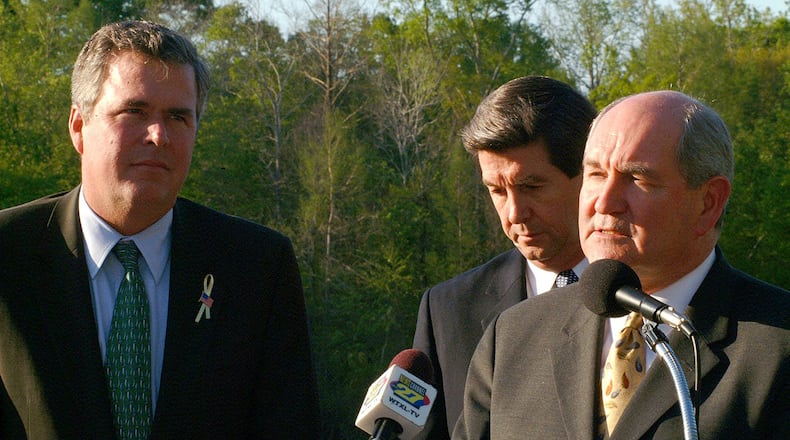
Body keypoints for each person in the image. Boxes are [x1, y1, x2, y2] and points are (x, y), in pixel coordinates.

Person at [0, 20, 319, 439]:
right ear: (79, 127)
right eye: (134, 111)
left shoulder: (255, 268)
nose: (158, 135)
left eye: (178, 117)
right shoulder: (9, 255)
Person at [454, 90, 790, 439]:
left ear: (708, 203)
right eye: (596, 175)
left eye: (636, 179)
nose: (605, 202)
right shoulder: (513, 336)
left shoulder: (777, 346)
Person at [411, 76, 598, 438]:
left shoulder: (657, 298)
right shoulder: (447, 309)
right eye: (497, 190)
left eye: (531, 187)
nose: (514, 213)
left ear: (589, 176)